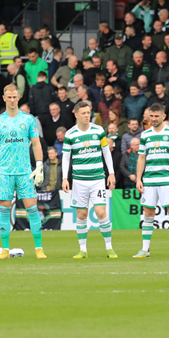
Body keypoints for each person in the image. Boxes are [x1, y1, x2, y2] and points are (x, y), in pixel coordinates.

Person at [0, 84, 47, 259]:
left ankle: (39, 248)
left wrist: (39, 165)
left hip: (25, 171)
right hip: (4, 172)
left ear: (18, 97)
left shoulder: (28, 119)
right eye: (9, 97)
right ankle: (5, 250)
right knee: (5, 209)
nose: (12, 100)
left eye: (14, 97)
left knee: (32, 208)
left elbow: (36, 143)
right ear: (4, 98)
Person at [61, 101, 117, 258]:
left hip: (97, 179)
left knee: (101, 212)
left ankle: (109, 247)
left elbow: (106, 152)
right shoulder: (70, 134)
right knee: (81, 215)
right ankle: (83, 250)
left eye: (88, 112)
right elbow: (66, 157)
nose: (87, 115)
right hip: (79, 181)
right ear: (76, 114)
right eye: (83, 113)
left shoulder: (98, 130)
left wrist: (111, 173)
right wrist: (65, 178)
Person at [133, 103, 169, 258]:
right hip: (149, 180)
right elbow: (141, 158)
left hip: (168, 179)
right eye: (151, 116)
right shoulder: (145, 135)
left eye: (157, 116)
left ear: (164, 116)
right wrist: (139, 179)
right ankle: (145, 250)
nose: (154, 119)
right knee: (148, 213)